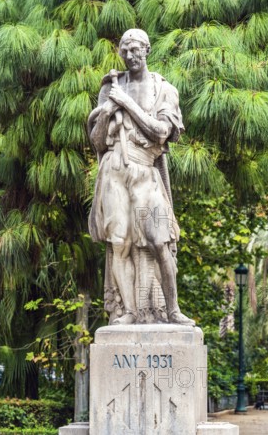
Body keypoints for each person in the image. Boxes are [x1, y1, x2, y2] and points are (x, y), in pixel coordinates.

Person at [88, 29, 194, 326]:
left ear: (146, 49)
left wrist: (125, 103)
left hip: (146, 173)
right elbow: (97, 142)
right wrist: (108, 111)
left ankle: (171, 310)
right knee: (119, 242)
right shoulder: (111, 86)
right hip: (114, 172)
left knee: (161, 240)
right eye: (125, 50)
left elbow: (161, 132)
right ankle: (128, 312)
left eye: (135, 49)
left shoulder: (163, 90)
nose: (130, 55)